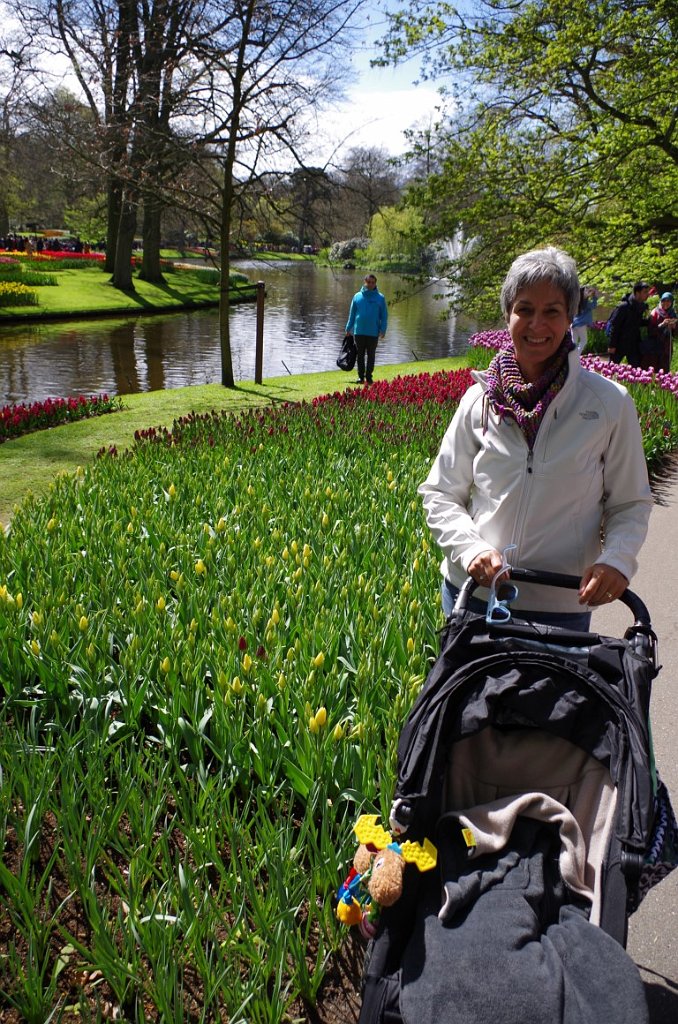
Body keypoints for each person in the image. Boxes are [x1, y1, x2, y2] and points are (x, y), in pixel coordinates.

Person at [419, 246, 652, 631]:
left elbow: (630, 503)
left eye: (551, 312)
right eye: (524, 309)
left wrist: (617, 560)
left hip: (560, 606)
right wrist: (470, 548)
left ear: (570, 316)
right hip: (475, 595)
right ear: (508, 313)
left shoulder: (608, 404)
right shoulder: (479, 399)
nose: (536, 325)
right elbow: (440, 492)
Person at [344, 273, 388, 384]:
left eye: (373, 282)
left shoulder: (380, 298)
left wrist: (383, 329)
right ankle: (360, 377)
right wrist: (348, 328)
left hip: (373, 332)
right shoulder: (357, 296)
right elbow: (352, 314)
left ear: (375, 283)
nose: (370, 284)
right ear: (365, 282)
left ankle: (369, 377)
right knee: (360, 355)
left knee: (371, 355)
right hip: (359, 331)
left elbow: (384, 315)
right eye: (368, 282)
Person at [608, 282, 652, 367]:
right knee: (611, 369)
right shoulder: (623, 307)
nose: (648, 294)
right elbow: (615, 326)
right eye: (645, 292)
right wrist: (612, 345)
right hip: (619, 343)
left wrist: (649, 320)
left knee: (636, 369)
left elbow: (637, 323)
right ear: (637, 293)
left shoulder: (642, 306)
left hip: (634, 344)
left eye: (648, 292)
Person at [645, 292, 677, 372]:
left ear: (672, 302)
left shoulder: (673, 314)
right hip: (655, 345)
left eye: (668, 301)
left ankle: (663, 383)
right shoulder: (655, 312)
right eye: (664, 301)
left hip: (667, 346)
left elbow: (675, 334)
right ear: (661, 301)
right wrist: (662, 324)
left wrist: (674, 327)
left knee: (665, 367)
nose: (666, 303)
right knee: (653, 367)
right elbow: (650, 331)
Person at [570, 285, 599, 353]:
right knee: (584, 341)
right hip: (581, 324)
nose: (587, 292)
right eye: (586, 291)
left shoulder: (576, 302)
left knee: (574, 342)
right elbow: (594, 306)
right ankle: (575, 355)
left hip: (573, 324)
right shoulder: (585, 303)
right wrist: (594, 297)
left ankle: (570, 356)